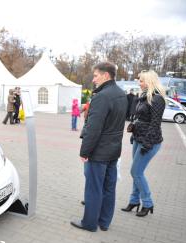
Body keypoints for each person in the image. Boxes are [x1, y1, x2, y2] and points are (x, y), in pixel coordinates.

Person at [71, 62, 127, 232]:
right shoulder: (121, 93)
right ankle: (104, 222)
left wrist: (85, 151)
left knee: (94, 188)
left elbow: (94, 128)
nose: (93, 79)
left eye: (96, 75)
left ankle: (89, 223)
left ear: (106, 75)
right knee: (109, 188)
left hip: (99, 151)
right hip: (113, 149)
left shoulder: (102, 96)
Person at [121, 70, 166, 217]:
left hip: (149, 141)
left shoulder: (157, 99)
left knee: (136, 172)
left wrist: (147, 144)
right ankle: (134, 201)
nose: (138, 83)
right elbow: (141, 118)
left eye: (141, 80)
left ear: (149, 81)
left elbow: (155, 124)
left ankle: (148, 203)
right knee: (137, 173)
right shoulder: (144, 96)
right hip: (138, 138)